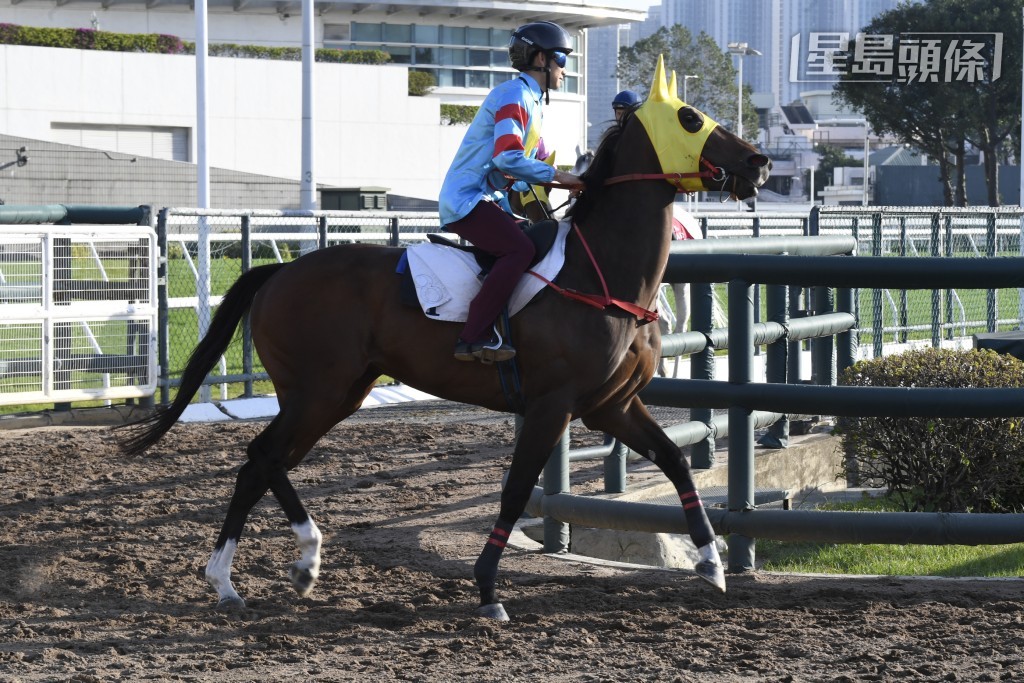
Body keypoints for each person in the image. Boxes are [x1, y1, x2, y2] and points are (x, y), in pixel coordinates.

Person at [439, 21, 584, 363]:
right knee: (518, 250)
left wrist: (569, 183)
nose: (565, 69)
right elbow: (507, 157)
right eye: (562, 59)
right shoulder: (514, 95)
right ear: (540, 58)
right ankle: (472, 337)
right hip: (467, 199)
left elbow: (521, 172)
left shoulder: (532, 102)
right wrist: (564, 178)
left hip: (489, 199)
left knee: (534, 238)